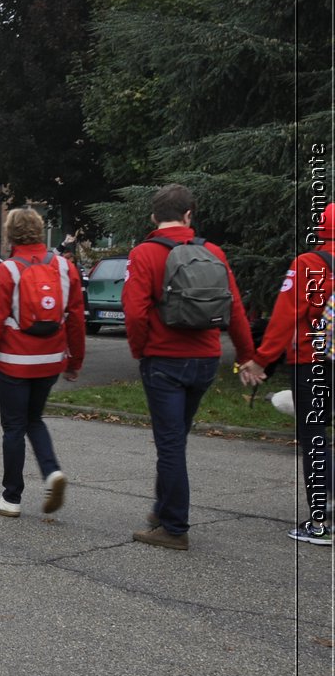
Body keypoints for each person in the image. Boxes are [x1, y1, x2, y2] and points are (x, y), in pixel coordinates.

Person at [123, 184, 257, 551]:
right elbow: (235, 308)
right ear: (188, 215)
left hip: (164, 361)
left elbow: (134, 313)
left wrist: (141, 350)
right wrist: (247, 355)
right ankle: (161, 509)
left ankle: (174, 527)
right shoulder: (213, 251)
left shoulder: (145, 254)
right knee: (176, 439)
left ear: (153, 217)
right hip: (206, 359)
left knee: (169, 445)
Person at [0, 208, 84, 520]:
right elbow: (76, 318)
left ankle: (11, 497)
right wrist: (75, 360)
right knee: (35, 419)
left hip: (16, 362)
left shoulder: (7, 271)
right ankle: (51, 473)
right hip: (51, 360)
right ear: (39, 231)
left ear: (11, 235)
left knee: (13, 426)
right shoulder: (64, 267)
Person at [241, 204, 332, 543]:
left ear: (320, 230)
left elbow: (283, 319)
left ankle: (321, 523)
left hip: (312, 361)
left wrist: (261, 360)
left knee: (315, 438)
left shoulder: (308, 265)